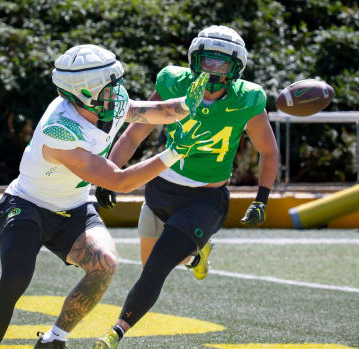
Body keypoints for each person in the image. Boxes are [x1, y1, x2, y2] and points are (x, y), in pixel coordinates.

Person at [0, 44, 213, 349]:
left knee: (105, 263)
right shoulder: (60, 130)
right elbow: (119, 180)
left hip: (73, 207)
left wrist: (187, 104)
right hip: (28, 206)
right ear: (83, 93)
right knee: (15, 278)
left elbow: (155, 112)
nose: (117, 93)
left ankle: (53, 340)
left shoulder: (104, 102)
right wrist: (175, 152)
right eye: (109, 87)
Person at [93, 25, 279, 348]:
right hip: (160, 189)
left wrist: (262, 198)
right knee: (152, 258)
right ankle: (197, 254)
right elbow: (136, 132)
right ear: (195, 61)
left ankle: (115, 332)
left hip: (205, 200)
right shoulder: (172, 82)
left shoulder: (248, 100)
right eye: (208, 61)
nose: (213, 70)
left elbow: (269, 150)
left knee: (155, 268)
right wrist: (111, 170)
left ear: (235, 69)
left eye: (222, 64)